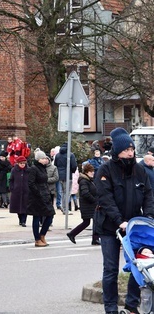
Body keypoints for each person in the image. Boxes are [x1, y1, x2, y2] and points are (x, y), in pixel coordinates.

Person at [96, 127, 154, 314]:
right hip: (109, 226)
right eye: (126, 150)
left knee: (139, 267)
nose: (130, 153)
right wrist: (119, 221)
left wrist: (149, 218)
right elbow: (106, 199)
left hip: (134, 227)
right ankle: (111, 308)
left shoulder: (139, 170)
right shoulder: (105, 170)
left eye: (132, 149)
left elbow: (148, 195)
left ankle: (131, 305)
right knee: (111, 269)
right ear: (117, 151)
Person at [67, 163, 98, 245]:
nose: (93, 173)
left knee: (88, 222)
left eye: (93, 171)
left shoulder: (89, 180)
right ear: (86, 172)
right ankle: (95, 239)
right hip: (88, 205)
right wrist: (94, 200)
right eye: (91, 171)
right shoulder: (84, 181)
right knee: (93, 221)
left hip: (89, 204)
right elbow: (85, 193)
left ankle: (72, 234)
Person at [27, 150, 54, 247]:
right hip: (37, 197)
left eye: (45, 158)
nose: (45, 160)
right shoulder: (33, 169)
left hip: (46, 195)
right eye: (43, 158)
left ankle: (42, 235)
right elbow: (30, 183)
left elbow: (45, 181)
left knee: (50, 215)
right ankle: (37, 239)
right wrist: (38, 193)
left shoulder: (44, 168)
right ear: (38, 159)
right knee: (37, 217)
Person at [53, 142, 77, 211]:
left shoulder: (57, 155)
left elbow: (55, 165)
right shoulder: (71, 155)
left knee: (62, 192)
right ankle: (65, 208)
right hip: (68, 175)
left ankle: (63, 207)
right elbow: (74, 166)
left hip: (60, 175)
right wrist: (72, 171)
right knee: (67, 192)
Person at [9, 155, 29, 227]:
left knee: (25, 207)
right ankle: (20, 219)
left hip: (26, 191)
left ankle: (23, 221)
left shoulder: (28, 170)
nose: (23, 165)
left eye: (24, 163)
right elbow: (11, 180)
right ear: (18, 163)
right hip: (16, 191)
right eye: (21, 163)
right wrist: (12, 188)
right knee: (17, 207)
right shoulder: (14, 170)